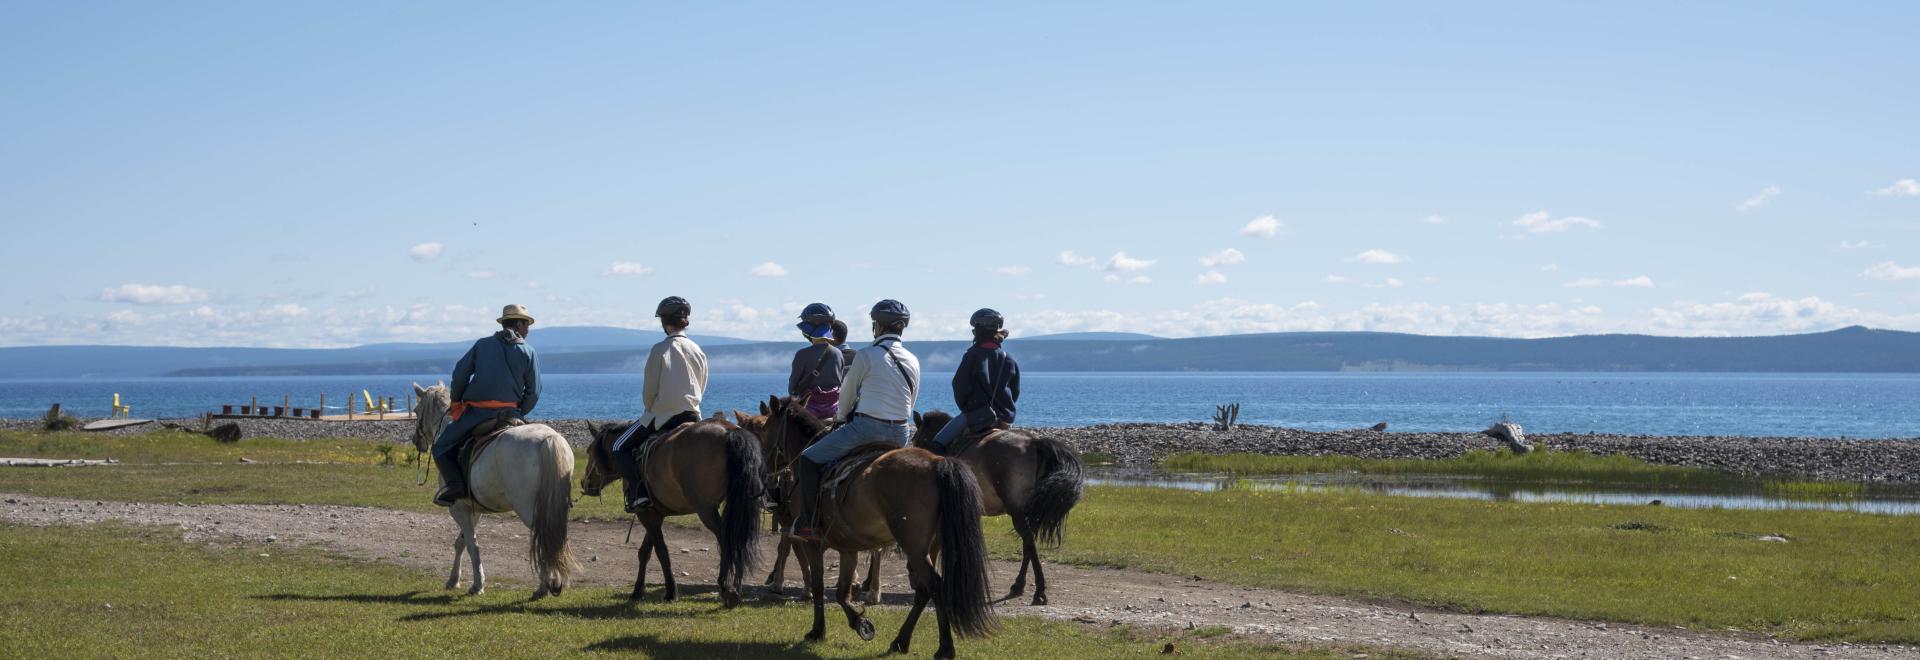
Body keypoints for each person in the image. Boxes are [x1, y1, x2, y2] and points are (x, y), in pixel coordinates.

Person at [788, 299, 920, 541]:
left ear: (877, 327)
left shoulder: (866, 355)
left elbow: (847, 394)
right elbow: (911, 401)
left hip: (866, 428)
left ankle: (808, 523)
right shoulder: (913, 359)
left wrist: (840, 419)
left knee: (809, 459)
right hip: (901, 432)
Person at [432, 304, 542, 506]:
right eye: (526, 324)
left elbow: (460, 374)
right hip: (511, 414)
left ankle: (456, 485)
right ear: (518, 324)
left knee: (440, 446)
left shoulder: (482, 345)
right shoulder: (529, 352)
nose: (528, 330)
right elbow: (534, 392)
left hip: (478, 414)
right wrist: (518, 411)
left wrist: (456, 401)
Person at [611, 296, 709, 513]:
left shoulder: (660, 349)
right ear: (685, 320)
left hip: (663, 415)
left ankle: (639, 494)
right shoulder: (697, 349)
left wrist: (650, 408)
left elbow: (649, 391)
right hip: (693, 414)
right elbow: (702, 383)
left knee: (618, 446)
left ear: (665, 322)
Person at [932, 308, 1020, 455]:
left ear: (978, 331)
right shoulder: (1008, 358)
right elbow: (1015, 391)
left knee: (937, 443)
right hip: (1005, 419)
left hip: (976, 414)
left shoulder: (972, 355)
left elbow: (959, 385)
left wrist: (967, 408)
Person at [788, 303, 846, 419]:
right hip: (834, 411)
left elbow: (792, 389)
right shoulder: (838, 353)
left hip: (808, 413)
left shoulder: (802, 354)